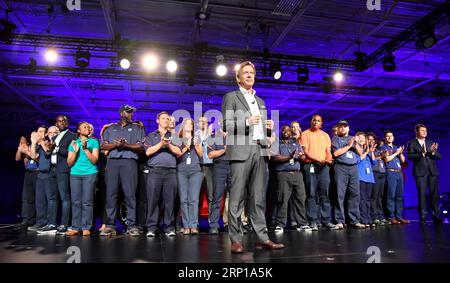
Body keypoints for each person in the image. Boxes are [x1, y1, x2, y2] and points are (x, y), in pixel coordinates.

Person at [221, 60, 283, 253]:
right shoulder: (231, 97)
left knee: (258, 198)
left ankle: (262, 238)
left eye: (252, 73)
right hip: (240, 151)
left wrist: (267, 129)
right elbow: (226, 126)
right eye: (245, 73)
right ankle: (236, 240)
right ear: (238, 77)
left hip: (259, 150)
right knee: (237, 198)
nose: (249, 75)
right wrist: (247, 121)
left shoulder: (261, 101)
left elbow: (260, 128)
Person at [100, 105, 145, 236]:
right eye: (128, 112)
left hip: (129, 162)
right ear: (121, 113)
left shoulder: (137, 128)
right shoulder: (110, 128)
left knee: (130, 194)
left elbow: (141, 146)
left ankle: (131, 225)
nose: (131, 114)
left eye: (132, 112)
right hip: (113, 163)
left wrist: (125, 145)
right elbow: (103, 145)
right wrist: (116, 145)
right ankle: (110, 225)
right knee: (111, 194)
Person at [145, 111, 181, 237]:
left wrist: (168, 143)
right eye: (163, 118)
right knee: (153, 200)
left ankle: (169, 227)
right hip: (155, 171)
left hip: (170, 171)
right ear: (158, 120)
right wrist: (161, 143)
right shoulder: (151, 136)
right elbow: (148, 152)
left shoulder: (174, 136)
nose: (166, 120)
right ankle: (151, 227)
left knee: (169, 201)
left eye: (167, 119)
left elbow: (179, 152)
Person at [271, 125, 310, 232]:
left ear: (291, 132)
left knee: (300, 198)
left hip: (297, 174)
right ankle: (280, 224)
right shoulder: (276, 144)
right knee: (282, 199)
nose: (285, 132)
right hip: (283, 174)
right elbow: (275, 157)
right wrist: (290, 157)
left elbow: (302, 156)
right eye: (283, 130)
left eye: (287, 130)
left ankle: (302, 223)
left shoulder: (296, 143)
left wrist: (302, 156)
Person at [300, 115, 336, 230]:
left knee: (324, 194)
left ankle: (326, 220)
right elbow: (305, 151)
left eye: (318, 121)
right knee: (311, 193)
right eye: (314, 120)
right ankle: (313, 221)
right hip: (310, 165)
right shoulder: (305, 134)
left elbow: (328, 150)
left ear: (321, 123)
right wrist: (317, 159)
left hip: (324, 166)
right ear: (311, 121)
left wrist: (329, 159)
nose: (316, 122)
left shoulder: (325, 135)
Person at [66, 122, 100, 236]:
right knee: (76, 201)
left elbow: (95, 160)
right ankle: (76, 227)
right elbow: (69, 163)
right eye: (85, 127)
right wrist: (75, 152)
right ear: (79, 131)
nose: (88, 129)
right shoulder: (74, 143)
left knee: (87, 201)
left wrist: (85, 149)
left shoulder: (94, 142)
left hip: (90, 173)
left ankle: (86, 227)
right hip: (75, 174)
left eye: (89, 127)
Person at [332, 120, 365, 229]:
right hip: (341, 167)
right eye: (340, 127)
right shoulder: (336, 138)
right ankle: (340, 221)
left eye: (345, 127)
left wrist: (355, 144)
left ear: (348, 128)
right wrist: (348, 145)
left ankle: (354, 220)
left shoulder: (352, 138)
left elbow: (361, 154)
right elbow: (336, 153)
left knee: (354, 194)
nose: (342, 129)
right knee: (339, 194)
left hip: (353, 167)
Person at [407, 124, 442, 224]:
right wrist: (422, 154)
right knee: (422, 195)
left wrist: (433, 152)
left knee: (434, 195)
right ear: (417, 132)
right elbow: (410, 157)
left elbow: (439, 156)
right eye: (422, 130)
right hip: (420, 172)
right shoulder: (411, 143)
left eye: (425, 130)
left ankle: (436, 215)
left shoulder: (430, 142)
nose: (425, 132)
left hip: (432, 172)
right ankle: (423, 217)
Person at [48, 115, 77, 234]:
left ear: (67, 123)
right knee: (52, 198)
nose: (60, 123)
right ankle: (51, 223)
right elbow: (50, 152)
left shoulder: (72, 136)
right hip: (52, 169)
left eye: (63, 121)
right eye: (58, 121)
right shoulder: (54, 137)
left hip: (63, 169)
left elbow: (72, 152)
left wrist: (57, 148)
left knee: (65, 197)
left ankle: (64, 224)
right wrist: (48, 148)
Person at [175, 118, 203, 235]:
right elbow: (175, 155)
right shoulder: (177, 138)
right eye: (187, 123)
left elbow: (201, 154)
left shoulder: (197, 137)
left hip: (195, 170)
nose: (189, 125)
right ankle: (186, 225)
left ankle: (193, 225)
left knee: (194, 199)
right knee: (183, 199)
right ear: (183, 126)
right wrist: (185, 145)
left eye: (191, 124)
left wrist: (195, 143)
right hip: (181, 170)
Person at [380, 130, 409, 225]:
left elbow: (403, 161)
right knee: (391, 195)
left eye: (391, 136)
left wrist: (400, 153)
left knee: (399, 196)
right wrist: (396, 153)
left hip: (399, 172)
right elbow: (387, 159)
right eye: (387, 136)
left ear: (393, 137)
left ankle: (399, 216)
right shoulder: (383, 147)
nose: (389, 138)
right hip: (390, 172)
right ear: (385, 138)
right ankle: (391, 216)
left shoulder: (396, 147)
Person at [207, 123, 230, 234]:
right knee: (217, 196)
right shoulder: (214, 137)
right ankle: (214, 225)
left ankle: (233, 225)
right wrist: (224, 150)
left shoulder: (235, 137)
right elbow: (210, 154)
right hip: (219, 166)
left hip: (233, 167)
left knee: (234, 198)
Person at [15, 134, 39, 229]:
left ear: (27, 140)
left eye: (23, 139)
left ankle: (35, 219)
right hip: (28, 173)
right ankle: (26, 219)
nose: (21, 141)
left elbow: (35, 157)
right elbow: (17, 159)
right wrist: (19, 149)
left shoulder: (33, 147)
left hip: (36, 172)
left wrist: (26, 150)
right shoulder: (23, 148)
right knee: (26, 197)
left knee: (36, 197)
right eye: (20, 140)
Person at [366, 132, 389, 226]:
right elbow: (372, 160)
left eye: (373, 139)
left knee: (380, 197)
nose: (371, 141)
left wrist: (383, 155)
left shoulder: (378, 149)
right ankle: (374, 216)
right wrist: (380, 156)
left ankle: (381, 216)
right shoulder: (367, 150)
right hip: (374, 173)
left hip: (382, 173)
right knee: (374, 196)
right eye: (369, 139)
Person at [355, 132, 376, 227]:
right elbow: (358, 160)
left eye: (363, 138)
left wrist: (371, 151)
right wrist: (367, 152)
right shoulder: (355, 149)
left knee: (368, 199)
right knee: (362, 199)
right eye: (360, 138)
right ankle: (363, 219)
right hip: (361, 177)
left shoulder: (367, 149)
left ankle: (369, 218)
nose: (362, 139)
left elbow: (374, 162)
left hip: (369, 178)